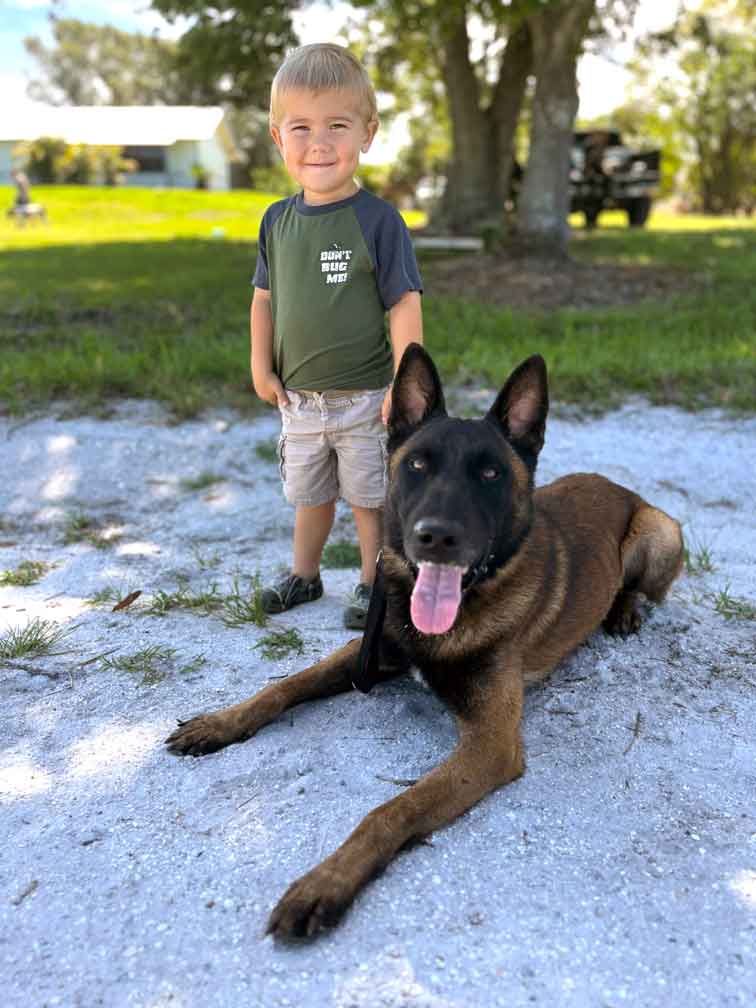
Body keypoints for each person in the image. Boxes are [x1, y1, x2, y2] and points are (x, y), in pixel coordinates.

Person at [251, 42, 423, 629]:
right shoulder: (277, 221)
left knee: (369, 498)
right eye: (300, 127)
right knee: (309, 495)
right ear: (278, 138)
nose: (318, 142)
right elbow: (264, 299)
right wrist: (260, 366)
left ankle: (374, 582)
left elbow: (403, 301)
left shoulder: (379, 220)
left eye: (336, 125)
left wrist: (405, 381)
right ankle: (305, 574)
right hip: (298, 400)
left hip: (364, 400)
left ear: (367, 134)